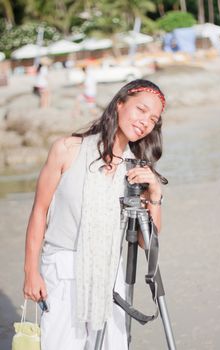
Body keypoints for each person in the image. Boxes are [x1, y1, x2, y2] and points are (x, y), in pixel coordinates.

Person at [23, 79, 167, 350]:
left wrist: (155, 195)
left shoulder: (135, 171)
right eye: (141, 110)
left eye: (153, 119)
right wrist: (31, 270)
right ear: (120, 103)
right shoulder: (68, 149)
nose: (145, 121)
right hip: (63, 270)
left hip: (110, 274)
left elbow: (148, 243)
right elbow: (39, 211)